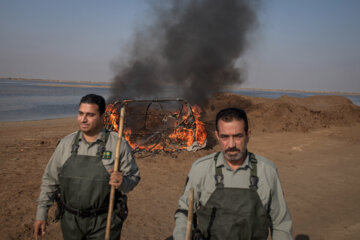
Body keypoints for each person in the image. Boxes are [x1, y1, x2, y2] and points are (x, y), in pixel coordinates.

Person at [173, 107, 292, 240]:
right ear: (217, 135)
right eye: (224, 137)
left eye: (238, 136)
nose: (231, 144)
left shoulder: (267, 172)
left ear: (248, 135)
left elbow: (280, 224)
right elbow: (184, 212)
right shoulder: (200, 169)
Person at [33, 94, 140, 240]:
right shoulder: (66, 144)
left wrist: (123, 182)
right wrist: (41, 213)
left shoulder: (117, 144)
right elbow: (50, 180)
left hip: (105, 221)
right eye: (81, 113)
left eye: (90, 115)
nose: (83, 119)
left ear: (102, 117)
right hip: (70, 222)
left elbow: (133, 176)